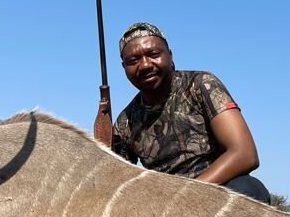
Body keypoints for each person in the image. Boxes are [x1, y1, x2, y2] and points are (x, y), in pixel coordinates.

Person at [112, 21, 272, 203]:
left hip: (216, 192)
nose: (145, 64)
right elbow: (115, 182)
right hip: (165, 206)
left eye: (153, 54)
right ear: (124, 68)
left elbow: (245, 154)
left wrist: (184, 196)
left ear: (170, 56)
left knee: (247, 189)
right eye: (133, 61)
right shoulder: (124, 122)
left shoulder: (201, 85)